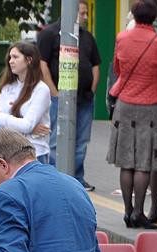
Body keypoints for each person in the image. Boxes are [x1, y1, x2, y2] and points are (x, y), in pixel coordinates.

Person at [107, 0, 157, 230]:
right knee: (144, 162)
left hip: (125, 104)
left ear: (134, 16)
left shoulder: (121, 38)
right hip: (151, 107)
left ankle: (127, 212)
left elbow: (117, 69)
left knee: (126, 162)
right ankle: (139, 212)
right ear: (154, 18)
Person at [37, 0, 100, 190]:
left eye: (86, 13)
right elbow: (42, 64)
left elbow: (95, 64)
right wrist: (54, 93)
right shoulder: (49, 34)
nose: (85, 17)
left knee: (81, 141)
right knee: (58, 139)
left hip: (85, 99)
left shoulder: (87, 37)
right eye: (82, 13)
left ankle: (77, 178)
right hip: (59, 99)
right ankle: (57, 178)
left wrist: (93, 88)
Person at [0, 42, 52, 163]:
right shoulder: (7, 87)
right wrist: (26, 129)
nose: (10, 61)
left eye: (15, 57)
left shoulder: (41, 89)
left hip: (34, 154)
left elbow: (26, 125)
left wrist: (0, 116)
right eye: (10, 57)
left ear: (29, 60)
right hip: (9, 152)